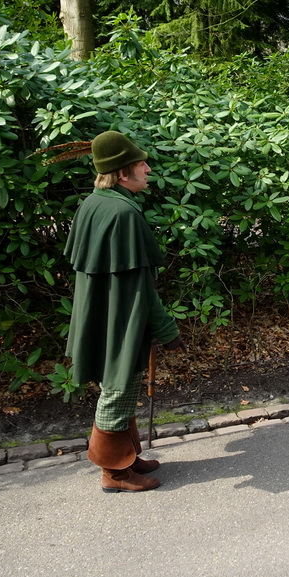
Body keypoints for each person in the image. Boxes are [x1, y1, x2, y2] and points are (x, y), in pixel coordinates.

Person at [63, 130, 183, 492]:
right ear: (122, 172)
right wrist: (167, 331)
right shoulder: (122, 214)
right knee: (118, 388)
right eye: (140, 164)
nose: (148, 168)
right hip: (122, 320)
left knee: (122, 387)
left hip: (101, 316)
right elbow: (142, 291)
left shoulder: (95, 202)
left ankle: (128, 455)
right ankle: (114, 472)